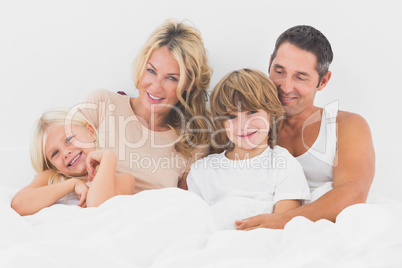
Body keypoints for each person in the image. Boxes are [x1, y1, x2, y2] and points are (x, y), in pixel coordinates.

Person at [236, 25, 375, 230]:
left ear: (323, 81)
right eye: (279, 71)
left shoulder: (346, 125)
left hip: (327, 229)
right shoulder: (247, 126)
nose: (286, 87)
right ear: (269, 64)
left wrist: (282, 221)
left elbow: (354, 193)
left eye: (300, 77)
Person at [79, 19, 213, 193]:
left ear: (189, 85)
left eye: (172, 78)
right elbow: (54, 170)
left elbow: (183, 205)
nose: (156, 86)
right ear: (141, 66)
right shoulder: (102, 103)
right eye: (151, 70)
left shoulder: (194, 143)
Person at [187, 68, 310, 229]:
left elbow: (282, 222)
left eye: (252, 112)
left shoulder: (283, 163)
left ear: (271, 114)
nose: (243, 125)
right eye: (231, 116)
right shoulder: (202, 171)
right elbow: (193, 224)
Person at [11, 109, 136, 216]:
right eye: (55, 153)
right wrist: (72, 184)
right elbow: (18, 205)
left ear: (91, 132)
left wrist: (108, 157)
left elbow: (97, 208)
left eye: (69, 139)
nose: (65, 153)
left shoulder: (123, 179)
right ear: (52, 164)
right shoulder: (51, 178)